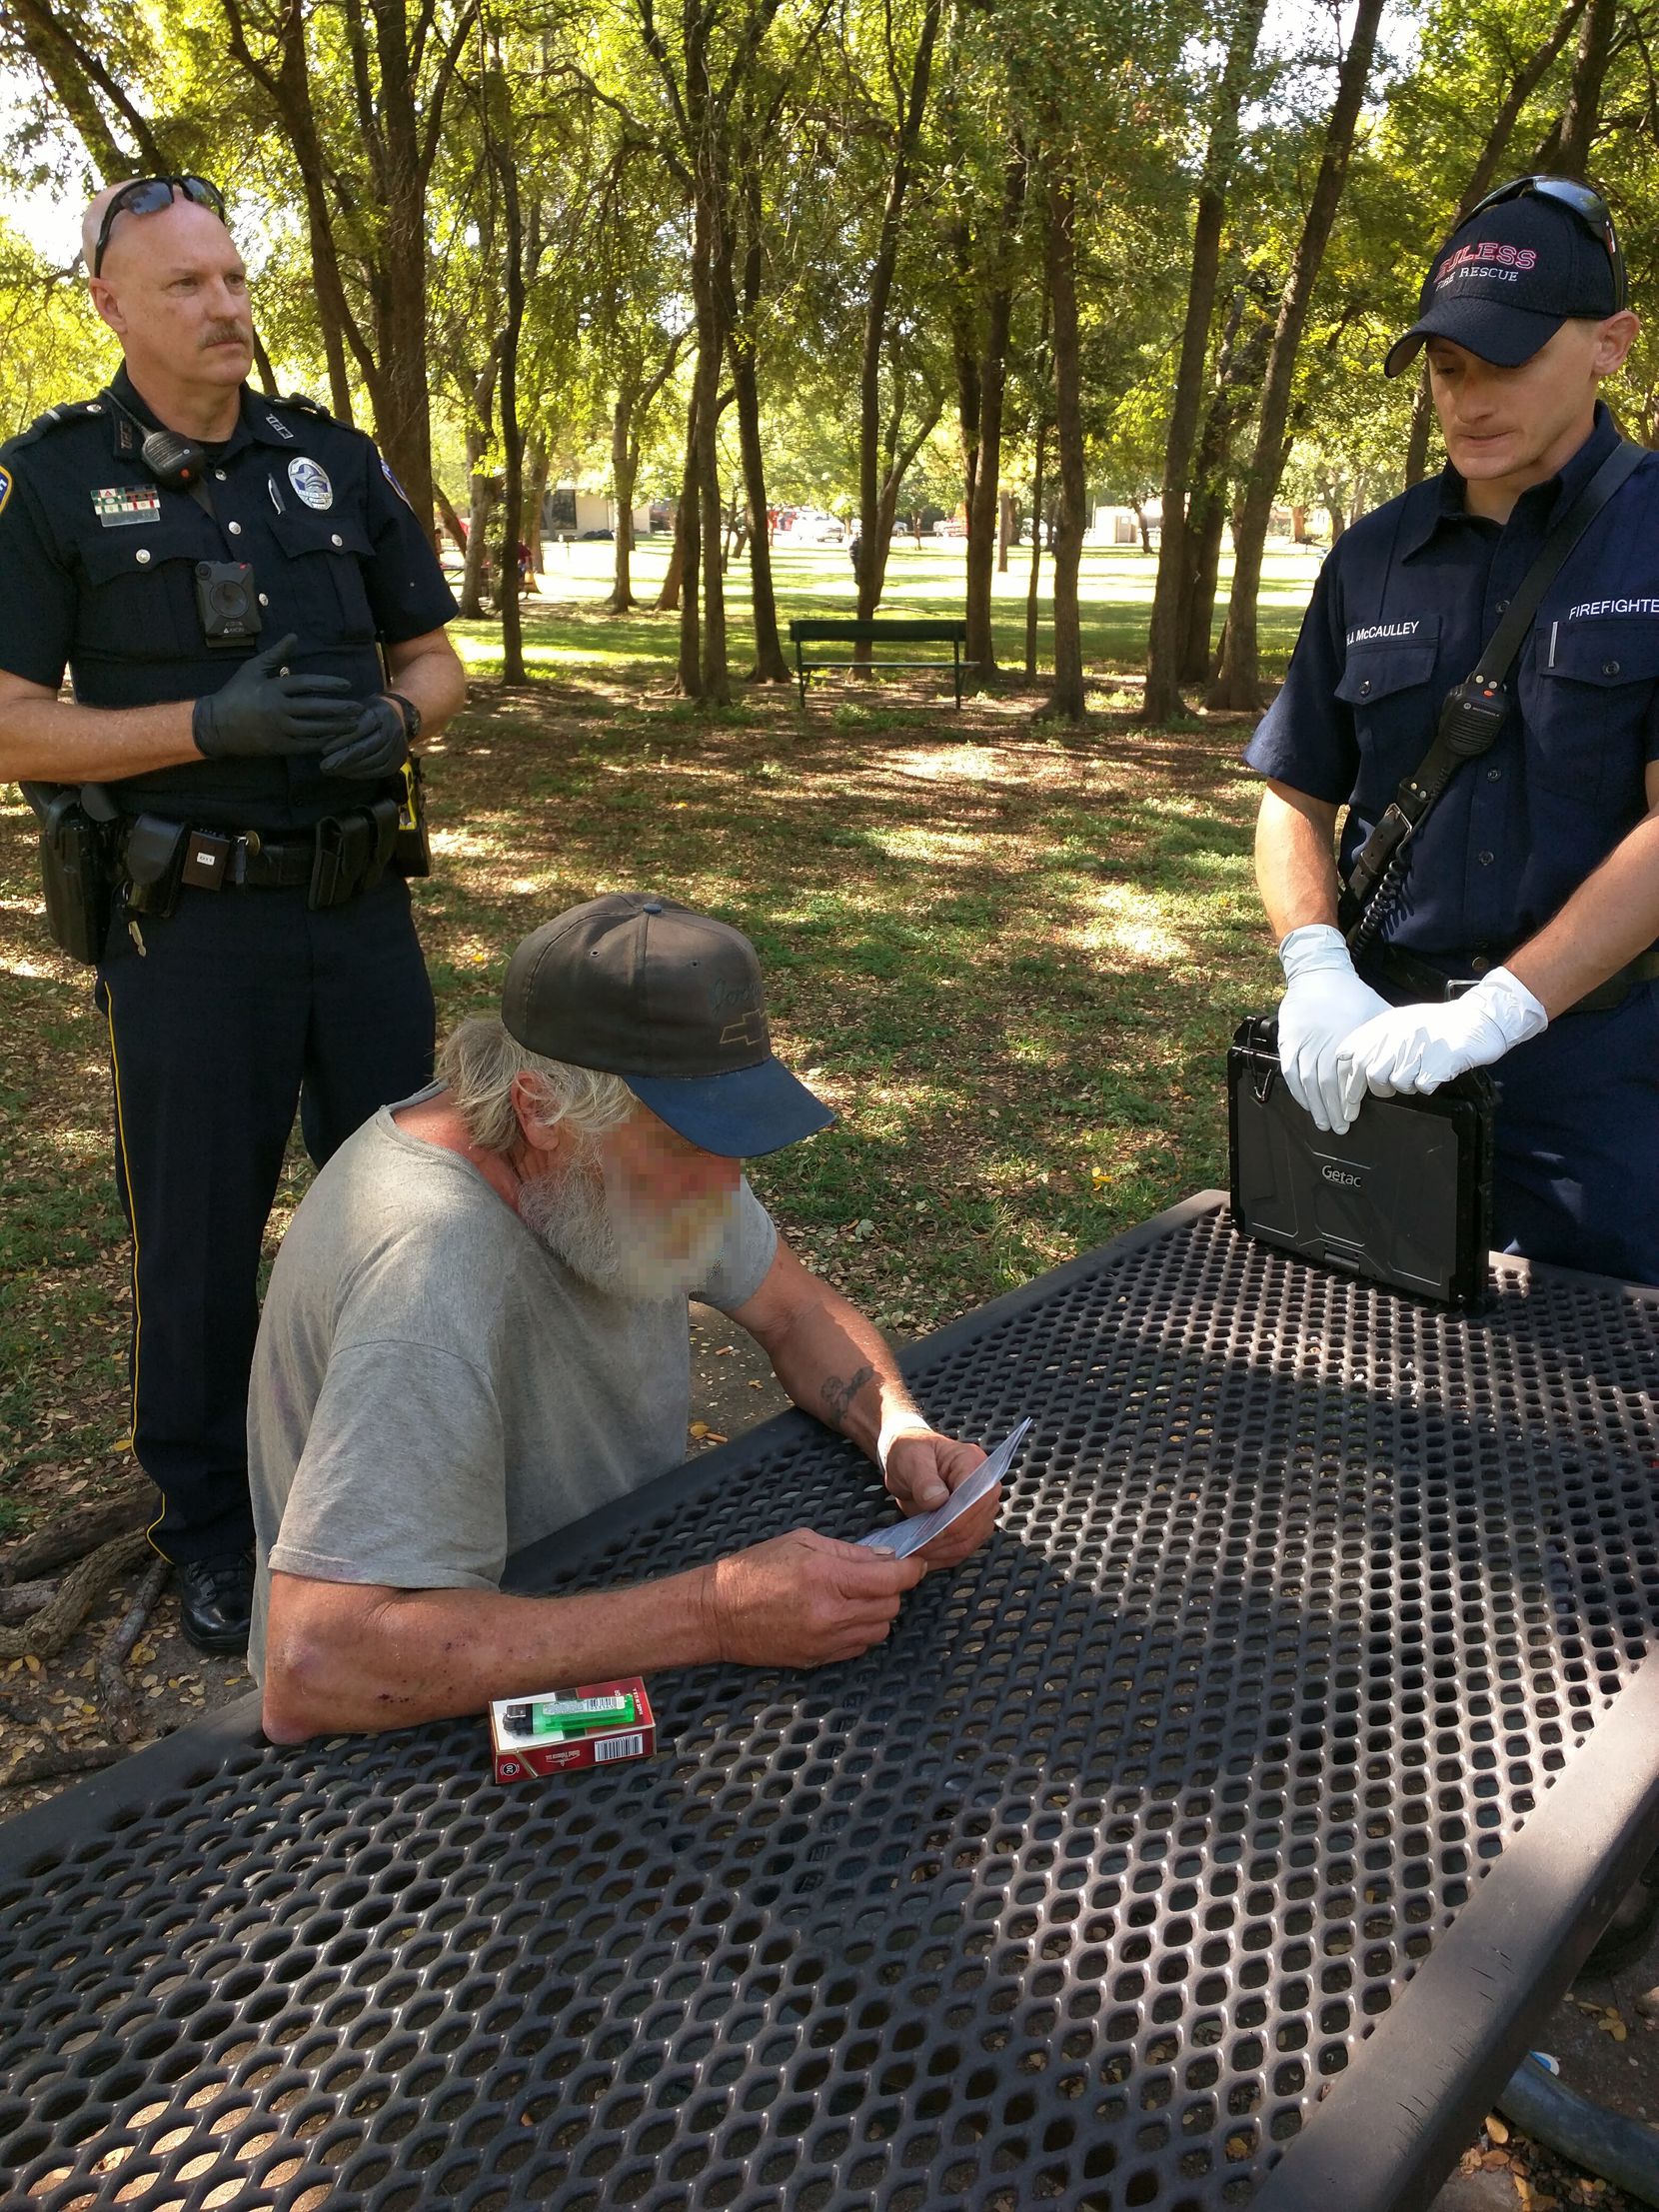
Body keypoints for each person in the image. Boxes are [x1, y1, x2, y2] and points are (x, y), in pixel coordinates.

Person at [0, 176, 468, 1653]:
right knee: (198, 1236)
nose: (225, 307)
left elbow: (438, 655)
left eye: (234, 277)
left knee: (409, 1209)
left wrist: (398, 720)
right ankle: (209, 1523)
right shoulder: (56, 483)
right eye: (187, 284)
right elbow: (10, 723)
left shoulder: (328, 459)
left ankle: (392, 1480)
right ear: (113, 304)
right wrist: (209, 723)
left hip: (362, 911)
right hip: (189, 930)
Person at [250, 893, 997, 1741]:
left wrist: (900, 1433)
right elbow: (317, 1664)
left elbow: (793, 1308)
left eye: (727, 1144)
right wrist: (713, 1613)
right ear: (538, 1108)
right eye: (683, 1148)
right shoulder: (426, 1273)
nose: (720, 1188)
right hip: (439, 1722)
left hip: (610, 1587)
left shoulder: (623, 1155)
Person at [1245, 176, 1659, 1286]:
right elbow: (1293, 791)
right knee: (1403, 1396)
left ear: (1609, 343)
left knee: (1599, 1418)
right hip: (1382, 1053)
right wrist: (1317, 965)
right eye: (1445, 367)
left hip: (1600, 1073)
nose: (1468, 399)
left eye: (1508, 361)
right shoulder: (1369, 557)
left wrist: (1504, 1007)